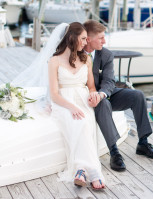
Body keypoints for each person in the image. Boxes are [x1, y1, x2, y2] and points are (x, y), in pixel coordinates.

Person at [83, 20, 153, 172]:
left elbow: (109, 81)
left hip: (105, 93)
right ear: (89, 39)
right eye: (100, 38)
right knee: (104, 103)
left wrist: (102, 93)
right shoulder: (77, 53)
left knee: (137, 95)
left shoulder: (105, 54)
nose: (104, 41)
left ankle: (143, 143)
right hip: (88, 99)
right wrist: (97, 96)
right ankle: (114, 152)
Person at [48, 22, 105, 190]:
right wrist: (71, 107)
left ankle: (81, 170)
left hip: (83, 99)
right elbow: (54, 94)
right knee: (78, 121)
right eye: (83, 39)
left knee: (86, 121)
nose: (85, 42)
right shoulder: (54, 61)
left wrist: (94, 95)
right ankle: (91, 170)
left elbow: (92, 87)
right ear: (72, 38)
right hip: (63, 102)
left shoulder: (86, 59)